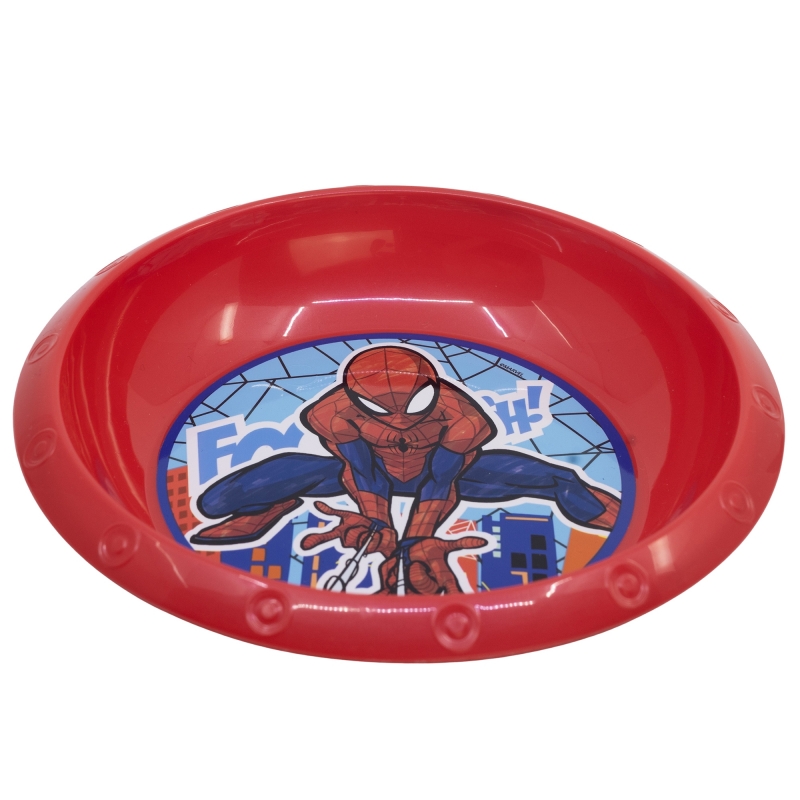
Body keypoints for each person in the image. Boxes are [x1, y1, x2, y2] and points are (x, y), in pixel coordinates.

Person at [190, 345, 620, 594]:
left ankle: (622, 524)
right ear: (354, 398)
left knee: (561, 479)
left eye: (415, 404)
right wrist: (378, 524)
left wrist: (415, 541)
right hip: (368, 472)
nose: (398, 419)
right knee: (215, 501)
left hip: (454, 475)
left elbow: (441, 480)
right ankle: (274, 504)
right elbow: (360, 472)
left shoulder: (461, 417)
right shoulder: (332, 413)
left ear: (432, 388)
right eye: (379, 408)